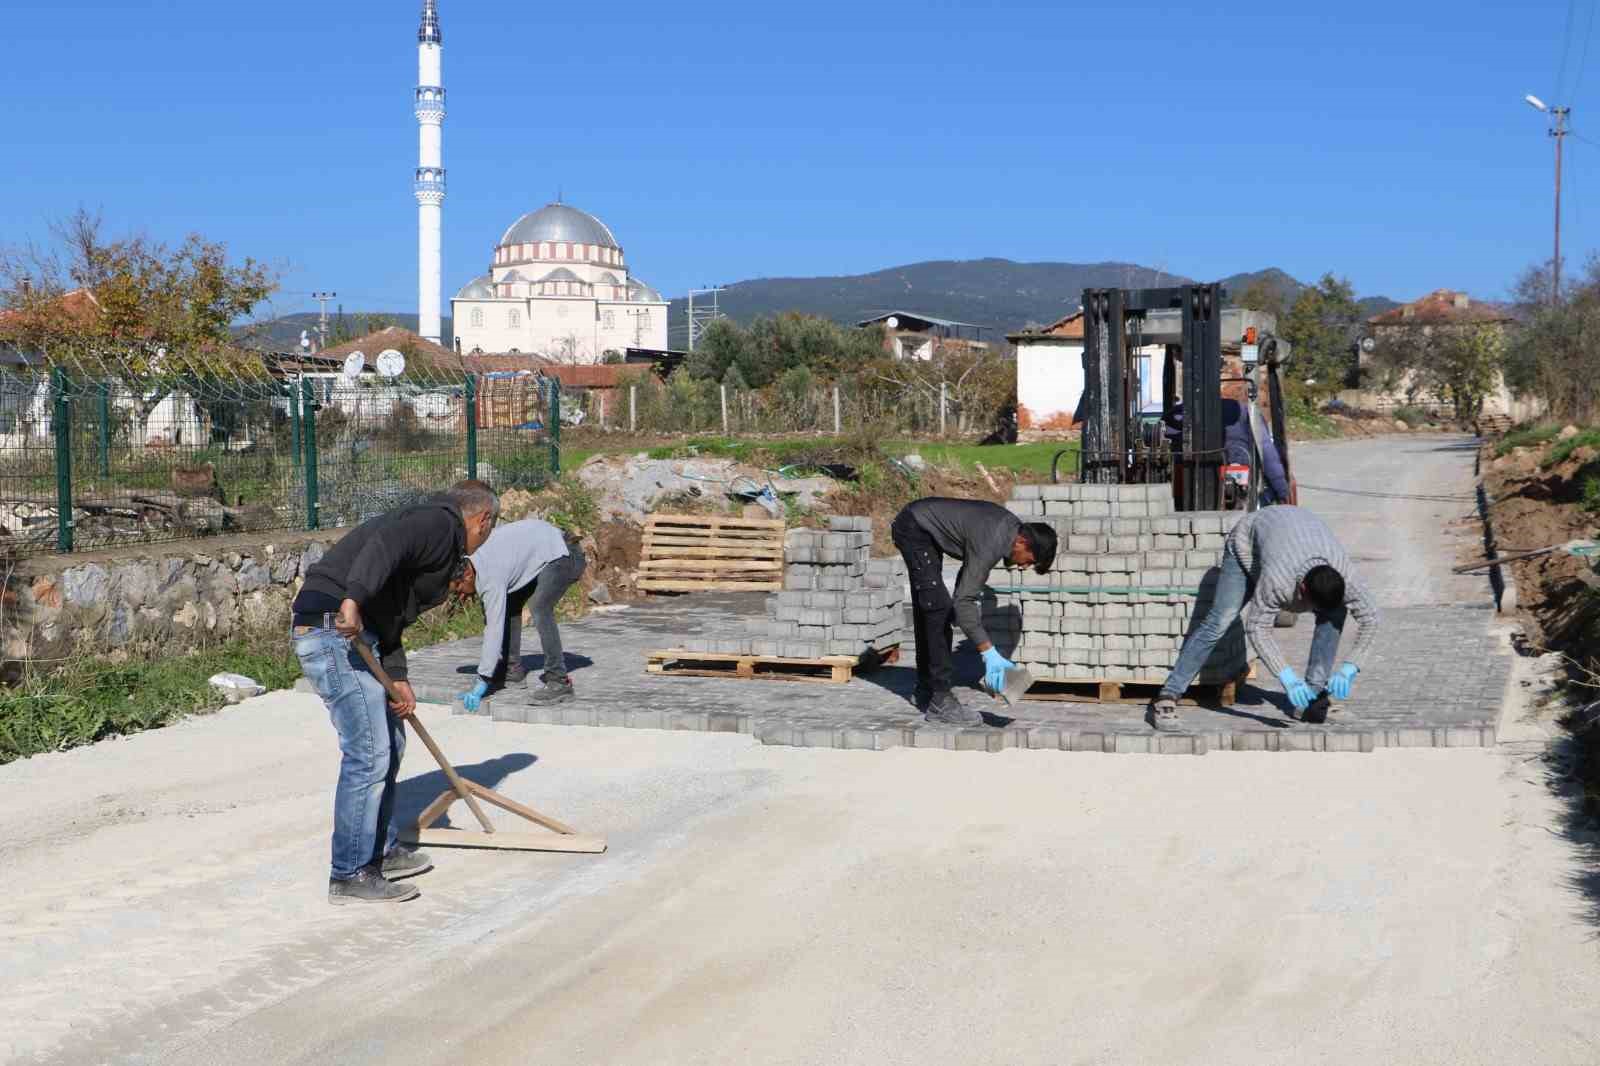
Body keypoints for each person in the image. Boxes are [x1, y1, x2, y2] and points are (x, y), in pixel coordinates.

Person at [291, 480, 500, 904]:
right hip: (333, 627)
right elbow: (384, 545)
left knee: (392, 739)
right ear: (483, 519)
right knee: (368, 752)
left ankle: (380, 851)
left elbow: (388, 611)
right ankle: (350, 874)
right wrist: (352, 600)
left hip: (357, 633)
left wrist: (397, 673)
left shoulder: (436, 536)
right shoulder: (438, 523)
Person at [1148, 505, 1380, 732]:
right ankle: (1169, 695)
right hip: (1247, 544)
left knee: (1334, 613)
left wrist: (1351, 666)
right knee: (1220, 620)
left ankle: (1312, 698)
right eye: (1308, 605)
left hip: (1295, 534)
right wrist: (1286, 676)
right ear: (1302, 589)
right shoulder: (1278, 580)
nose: (1306, 611)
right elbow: (1257, 627)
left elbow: (1372, 618)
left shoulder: (1346, 576)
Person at [890, 497, 1058, 725]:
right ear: (1022, 542)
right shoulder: (993, 542)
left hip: (924, 527)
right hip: (914, 527)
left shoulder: (1007, 530)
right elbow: (964, 601)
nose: (1024, 566)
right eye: (1030, 561)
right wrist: (988, 652)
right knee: (937, 609)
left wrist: (960, 605)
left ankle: (926, 689)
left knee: (931, 607)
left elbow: (969, 570)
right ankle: (940, 701)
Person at [456, 517, 588, 710]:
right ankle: (512, 671)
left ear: (468, 575)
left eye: (459, 588)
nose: (460, 594)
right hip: (545, 551)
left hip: (566, 553)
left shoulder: (491, 576)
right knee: (509, 605)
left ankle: (559, 682)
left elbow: (494, 628)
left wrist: (483, 679)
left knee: (540, 607)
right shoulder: (475, 557)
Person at [1162, 398, 1291, 504]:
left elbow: (1166, 444)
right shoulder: (1246, 412)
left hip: (1193, 478)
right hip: (1233, 469)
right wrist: (1281, 490)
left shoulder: (1178, 413)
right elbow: (1267, 452)